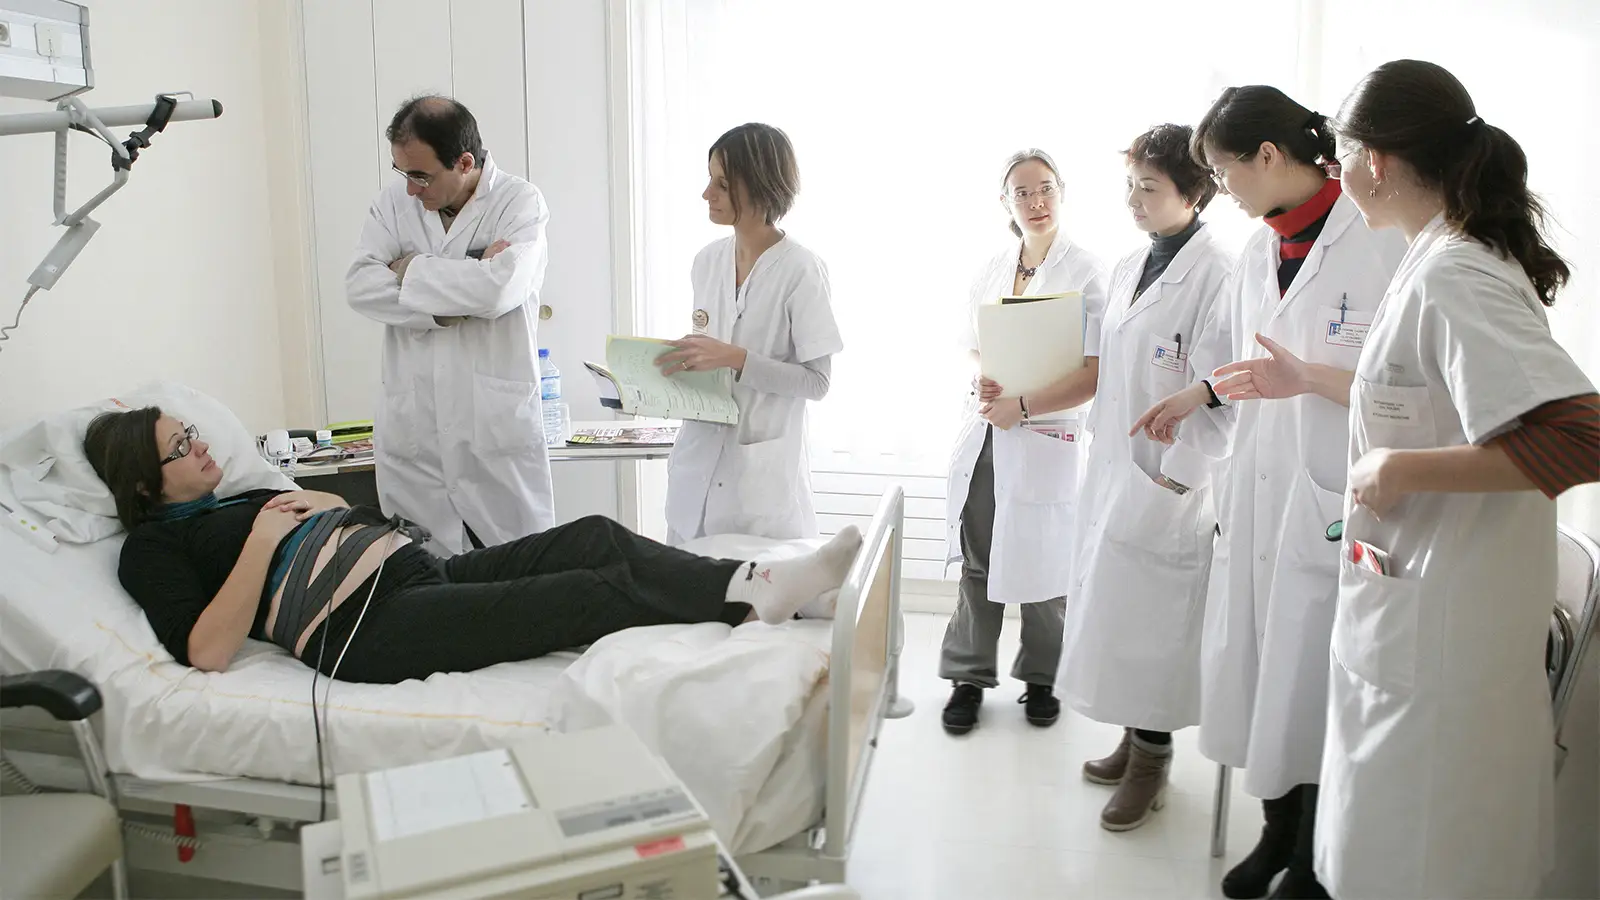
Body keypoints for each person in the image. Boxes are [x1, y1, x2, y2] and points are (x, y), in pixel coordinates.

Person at [1314, 59, 1600, 900]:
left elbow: (1583, 438)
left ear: (1375, 160)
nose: (1340, 175)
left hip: (1443, 643)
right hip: (1421, 612)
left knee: (1427, 861)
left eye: (1342, 157)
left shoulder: (1455, 272)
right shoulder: (1432, 255)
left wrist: (1400, 467)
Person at [1132, 86, 1405, 898]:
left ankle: (1318, 858)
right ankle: (1277, 835)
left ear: (1271, 158)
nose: (1222, 188)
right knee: (1261, 675)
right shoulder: (1261, 249)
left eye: (1225, 170)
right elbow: (1256, 363)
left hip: (1332, 497)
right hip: (1259, 493)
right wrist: (1199, 396)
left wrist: (1307, 380)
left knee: (1317, 681)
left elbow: (1407, 388)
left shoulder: (1378, 241)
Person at [82, 408, 862, 683]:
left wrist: (306, 507)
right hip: (363, 629)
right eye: (180, 447)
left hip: (419, 572)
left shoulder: (241, 494)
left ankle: (770, 584)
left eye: (190, 432)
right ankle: (764, 598)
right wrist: (262, 538)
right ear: (145, 486)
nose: (201, 446)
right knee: (589, 596)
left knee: (594, 536)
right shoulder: (150, 549)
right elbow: (208, 651)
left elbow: (316, 510)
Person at [1057, 124, 1233, 831]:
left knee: (1154, 628)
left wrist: (1177, 481)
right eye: (1130, 185)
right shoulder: (1130, 263)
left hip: (1168, 479)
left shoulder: (1218, 274)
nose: (1134, 199)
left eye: (1149, 188)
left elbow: (1221, 390)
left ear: (1194, 193)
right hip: (1116, 466)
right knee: (1116, 617)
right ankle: (1132, 738)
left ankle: (1153, 758)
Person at [939, 148, 1108, 736]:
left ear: (1062, 191)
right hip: (988, 429)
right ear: (1005, 203)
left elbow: (1093, 372)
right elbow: (973, 341)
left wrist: (1025, 405)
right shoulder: (991, 267)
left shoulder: (1087, 271)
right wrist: (986, 375)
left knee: (1048, 567)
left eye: (1045, 189)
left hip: (1043, 434)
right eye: (1022, 193)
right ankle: (968, 676)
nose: (1035, 203)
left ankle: (1042, 679)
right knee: (977, 559)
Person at [347, 95, 554, 555]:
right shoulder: (391, 206)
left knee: (519, 579)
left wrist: (408, 269)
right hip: (414, 432)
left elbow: (499, 291)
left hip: (493, 434)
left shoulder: (519, 202)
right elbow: (360, 286)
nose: (410, 190)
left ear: (464, 162)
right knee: (427, 585)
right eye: (402, 174)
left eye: (420, 175)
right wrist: (450, 300)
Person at [657, 123, 843, 544]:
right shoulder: (705, 262)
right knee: (686, 597)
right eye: (709, 180)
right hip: (697, 465)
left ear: (760, 187)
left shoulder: (801, 270)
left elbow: (818, 382)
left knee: (755, 604)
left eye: (722, 184)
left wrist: (735, 358)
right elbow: (709, 359)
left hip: (760, 483)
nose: (707, 193)